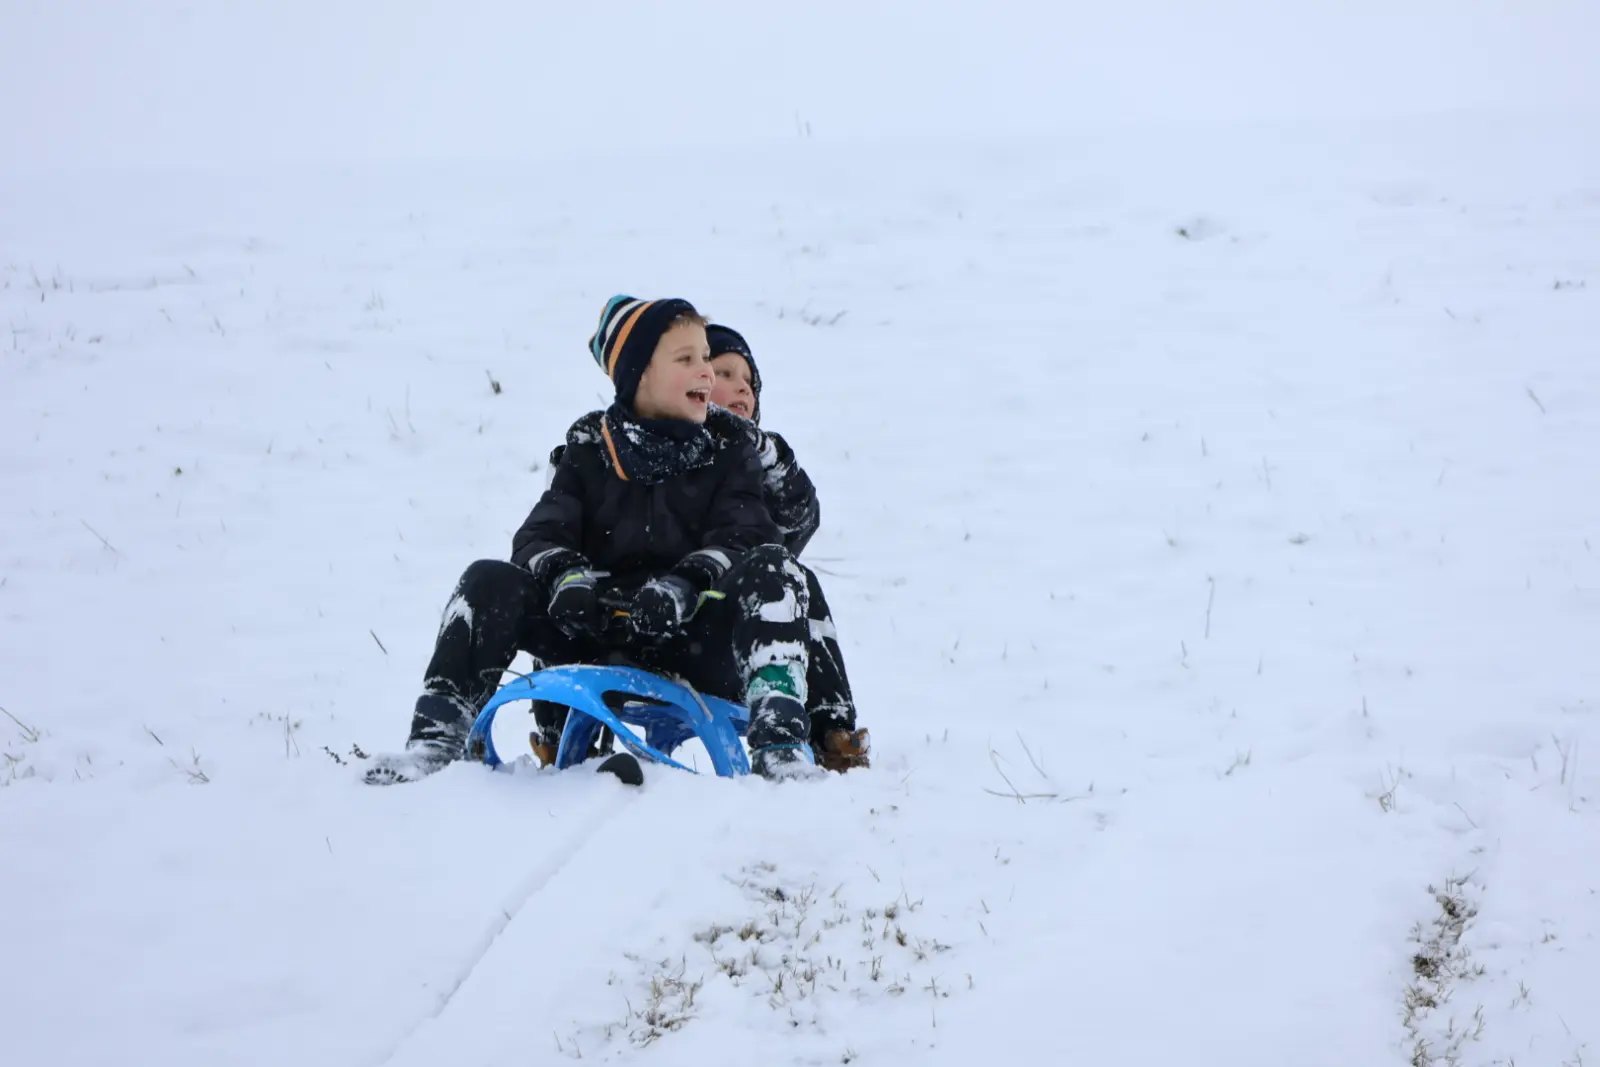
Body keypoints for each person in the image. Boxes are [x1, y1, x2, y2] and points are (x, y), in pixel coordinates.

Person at [364, 295, 825, 785]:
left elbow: (743, 535)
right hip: (595, 630)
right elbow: (540, 534)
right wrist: (567, 578)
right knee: (486, 580)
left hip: (693, 641)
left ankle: (781, 747)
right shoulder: (590, 445)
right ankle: (435, 742)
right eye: (686, 359)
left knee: (774, 569)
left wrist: (685, 585)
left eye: (706, 358)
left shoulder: (728, 446)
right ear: (639, 373)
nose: (707, 373)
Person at [543, 323, 870, 773]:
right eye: (725, 373)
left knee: (798, 582)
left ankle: (830, 731)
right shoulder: (619, 451)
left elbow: (797, 521)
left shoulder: (746, 462)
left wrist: (764, 455)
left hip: (721, 636)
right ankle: (553, 729)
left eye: (750, 382)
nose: (741, 387)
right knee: (556, 584)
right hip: (625, 623)